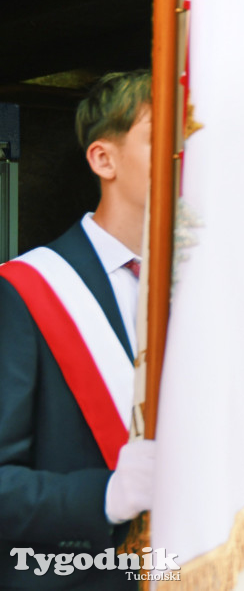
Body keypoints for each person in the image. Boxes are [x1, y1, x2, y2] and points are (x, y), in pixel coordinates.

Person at [0, 70, 156, 589]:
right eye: (161, 138)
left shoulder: (197, 289)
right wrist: (105, 495)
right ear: (103, 159)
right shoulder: (25, 291)